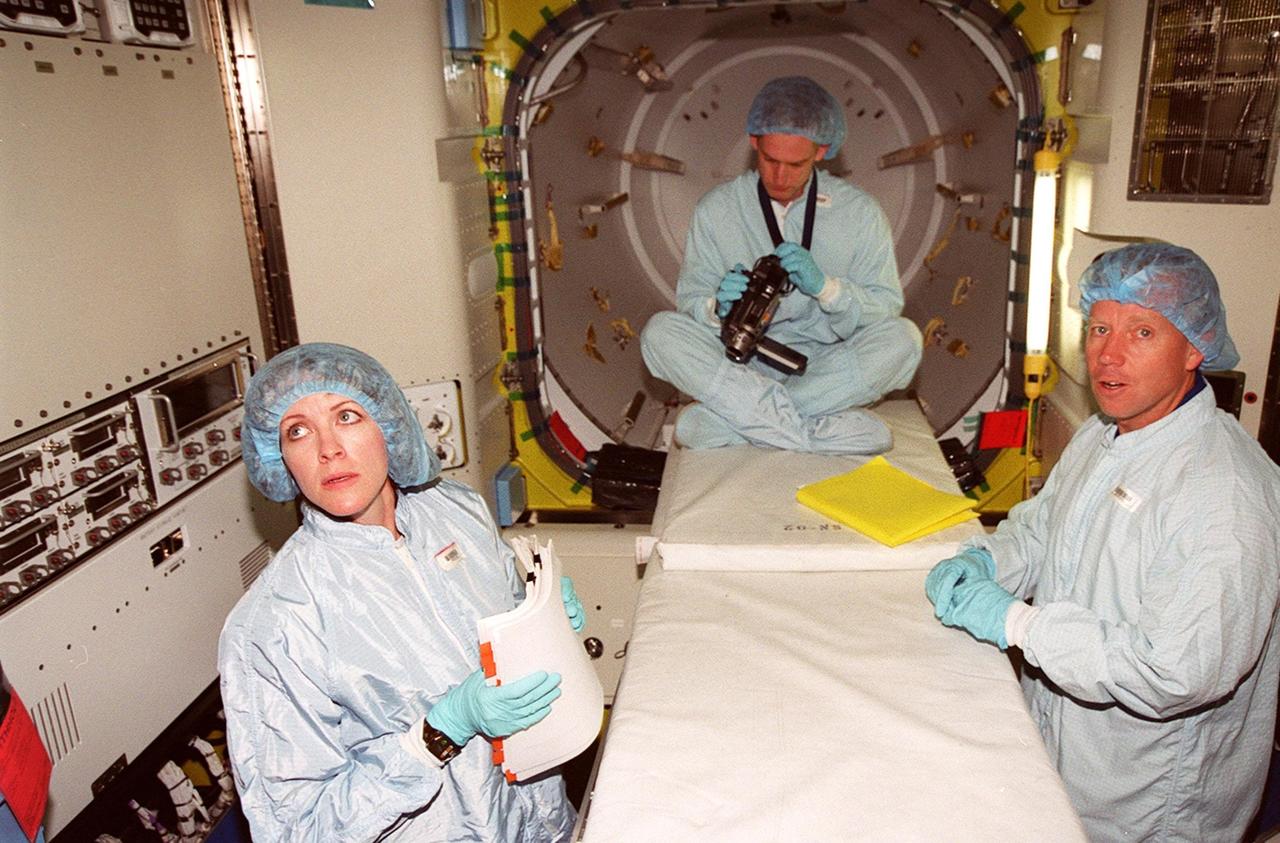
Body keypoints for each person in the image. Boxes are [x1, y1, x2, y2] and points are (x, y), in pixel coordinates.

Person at [924, 243, 1280, 840]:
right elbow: (1043, 530)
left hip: (1151, 800)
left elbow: (1173, 672)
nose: (1107, 355)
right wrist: (987, 562)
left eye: (1142, 332)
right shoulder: (1105, 434)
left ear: (1195, 348)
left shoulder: (1226, 493)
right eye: (1098, 328)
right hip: (1069, 749)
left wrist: (1018, 625)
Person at [218, 343, 584, 841]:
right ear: (279, 458)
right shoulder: (275, 623)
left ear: (390, 426)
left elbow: (501, 623)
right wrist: (436, 735)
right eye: (297, 431)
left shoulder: (455, 512)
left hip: (543, 822)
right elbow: (296, 829)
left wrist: (540, 611)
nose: (328, 449)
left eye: (347, 416)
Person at [640, 75, 922, 453]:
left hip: (825, 368)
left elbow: (886, 308)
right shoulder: (717, 209)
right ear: (754, 142)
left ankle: (739, 423)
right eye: (770, 160)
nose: (780, 176)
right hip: (740, 365)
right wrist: (715, 308)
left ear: (822, 152)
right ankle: (807, 430)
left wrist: (827, 289)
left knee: (904, 339)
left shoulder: (861, 213)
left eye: (795, 164)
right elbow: (690, 300)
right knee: (659, 333)